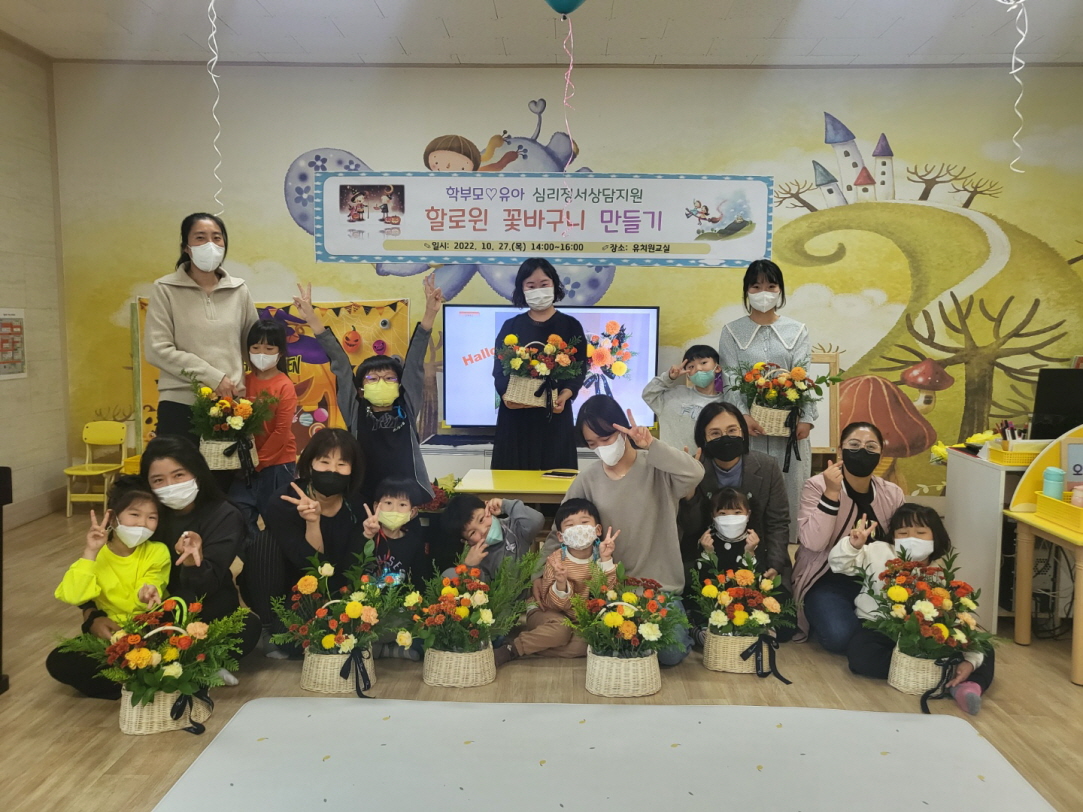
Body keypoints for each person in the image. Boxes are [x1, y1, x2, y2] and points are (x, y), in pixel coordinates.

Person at [539, 395, 703, 665]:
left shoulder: (657, 467)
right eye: (592, 444)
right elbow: (560, 530)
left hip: (658, 588)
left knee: (670, 653)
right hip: (608, 589)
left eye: (605, 438)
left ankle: (687, 627)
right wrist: (538, 577)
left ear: (622, 430)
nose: (601, 448)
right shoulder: (588, 479)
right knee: (613, 644)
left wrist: (651, 444)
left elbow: (695, 474)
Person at [829, 503, 994, 714]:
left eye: (921, 533)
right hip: (879, 627)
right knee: (862, 655)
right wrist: (853, 545)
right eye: (903, 533)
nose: (911, 539)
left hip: (923, 633)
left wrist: (970, 660)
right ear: (893, 536)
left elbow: (953, 616)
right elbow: (839, 564)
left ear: (936, 537)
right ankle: (939, 673)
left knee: (984, 646)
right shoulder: (878, 551)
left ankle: (970, 685)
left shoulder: (941, 572)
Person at [293, 276, 437, 503]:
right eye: (372, 378)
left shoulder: (407, 406)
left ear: (399, 385)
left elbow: (415, 362)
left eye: (389, 378)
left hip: (404, 496)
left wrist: (430, 313)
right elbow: (340, 363)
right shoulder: (354, 409)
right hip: (363, 494)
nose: (381, 382)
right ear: (360, 389)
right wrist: (311, 318)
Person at [141, 436, 261, 681]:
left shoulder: (224, 515)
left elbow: (207, 585)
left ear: (196, 473)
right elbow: (110, 565)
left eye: (178, 475)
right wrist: (91, 613)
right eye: (158, 480)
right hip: (149, 609)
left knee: (246, 627)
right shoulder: (143, 514)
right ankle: (185, 662)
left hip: (205, 609)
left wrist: (191, 561)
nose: (170, 486)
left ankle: (176, 662)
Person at [46, 478, 171, 699]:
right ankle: (137, 678)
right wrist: (89, 553)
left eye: (152, 517)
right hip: (110, 637)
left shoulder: (157, 550)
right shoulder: (98, 556)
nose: (143, 523)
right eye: (135, 514)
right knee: (59, 660)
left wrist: (147, 592)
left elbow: (153, 580)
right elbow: (74, 595)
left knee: (169, 649)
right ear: (113, 517)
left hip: (149, 632)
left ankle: (133, 677)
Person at [718, 259, 814, 542]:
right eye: (756, 286)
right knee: (753, 488)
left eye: (771, 286)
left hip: (789, 429)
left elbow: (803, 376)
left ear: (780, 290)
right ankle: (749, 546)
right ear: (746, 291)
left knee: (792, 488)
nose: (764, 292)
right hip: (750, 430)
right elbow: (731, 379)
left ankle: (790, 548)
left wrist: (807, 417)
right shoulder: (731, 332)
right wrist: (743, 417)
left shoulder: (797, 330)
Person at [144, 212, 258, 440]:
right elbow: (157, 350)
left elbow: (254, 345)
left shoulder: (239, 290)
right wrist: (213, 377)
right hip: (180, 404)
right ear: (186, 247)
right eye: (200, 238)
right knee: (179, 464)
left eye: (216, 237)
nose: (210, 244)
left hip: (229, 406)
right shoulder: (165, 289)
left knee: (226, 466)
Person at [793, 421, 905, 651]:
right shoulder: (817, 486)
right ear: (840, 450)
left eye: (871, 447)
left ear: (881, 454)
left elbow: (901, 543)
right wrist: (831, 493)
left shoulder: (892, 493)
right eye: (854, 445)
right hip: (826, 581)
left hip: (875, 582)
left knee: (906, 629)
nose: (862, 451)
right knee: (840, 636)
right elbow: (813, 543)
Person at [229, 318, 298, 648]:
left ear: (280, 352)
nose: (261, 353)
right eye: (255, 347)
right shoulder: (242, 382)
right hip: (244, 467)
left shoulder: (284, 386)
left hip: (277, 465)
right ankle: (255, 568)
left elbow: (282, 432)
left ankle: (276, 587)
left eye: (269, 348)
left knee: (277, 525)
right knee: (238, 515)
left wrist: (257, 463)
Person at [678, 401, 790, 583]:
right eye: (715, 433)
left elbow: (778, 522)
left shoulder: (768, 466)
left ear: (742, 432)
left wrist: (774, 564)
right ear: (703, 437)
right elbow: (690, 528)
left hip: (758, 555)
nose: (725, 438)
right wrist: (690, 488)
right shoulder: (693, 468)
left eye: (732, 430)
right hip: (705, 560)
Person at [491, 258, 587, 471]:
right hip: (515, 420)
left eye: (544, 284)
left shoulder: (571, 326)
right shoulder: (511, 326)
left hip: (555, 418)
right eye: (531, 286)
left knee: (556, 480)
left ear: (554, 284)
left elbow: (580, 370)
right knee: (511, 483)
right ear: (521, 289)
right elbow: (499, 371)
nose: (538, 291)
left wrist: (565, 395)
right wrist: (508, 396)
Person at [500, 498, 620, 665]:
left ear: (598, 529)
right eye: (570, 525)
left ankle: (538, 643)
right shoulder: (555, 561)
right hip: (546, 611)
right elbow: (552, 604)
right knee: (561, 630)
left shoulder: (600, 556)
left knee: (588, 642)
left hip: (577, 619)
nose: (578, 528)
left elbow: (608, 593)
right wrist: (561, 583)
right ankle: (512, 649)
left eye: (584, 522)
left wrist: (606, 560)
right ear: (561, 536)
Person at [263, 428, 370, 588]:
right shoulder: (284, 502)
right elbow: (307, 564)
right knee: (263, 542)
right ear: (310, 464)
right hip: (293, 582)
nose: (332, 470)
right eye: (325, 462)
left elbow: (353, 566)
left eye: (341, 464)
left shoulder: (359, 507)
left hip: (342, 587)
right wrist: (312, 523)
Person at [440, 493, 544, 585]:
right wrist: (471, 567)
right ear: (468, 541)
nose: (483, 530)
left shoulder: (514, 527)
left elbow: (537, 520)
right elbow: (484, 590)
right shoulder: (475, 556)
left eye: (481, 519)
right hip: (499, 600)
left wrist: (505, 505)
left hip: (527, 597)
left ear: (487, 508)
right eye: (472, 533)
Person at [641, 344, 723, 454]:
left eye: (703, 363)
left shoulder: (726, 404)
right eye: (691, 367)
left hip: (704, 463)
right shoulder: (674, 395)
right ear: (687, 374)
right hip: (669, 462)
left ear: (717, 368)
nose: (698, 369)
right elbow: (648, 394)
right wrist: (668, 377)